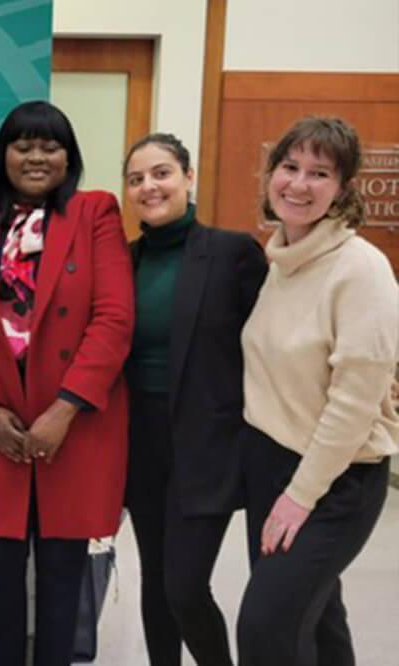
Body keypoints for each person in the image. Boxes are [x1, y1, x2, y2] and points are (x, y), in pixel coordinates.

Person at [0, 100, 134, 666]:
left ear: (68, 157)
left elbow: (115, 319)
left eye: (50, 146)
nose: (35, 157)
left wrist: (64, 410)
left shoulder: (95, 212)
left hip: (73, 429)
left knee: (62, 578)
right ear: (2, 155)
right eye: (22, 145)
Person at [236, 116, 398, 666]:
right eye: (289, 167)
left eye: (319, 173)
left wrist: (301, 494)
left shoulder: (361, 269)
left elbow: (353, 404)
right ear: (271, 174)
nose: (298, 184)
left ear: (344, 190)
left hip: (334, 479)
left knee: (266, 629)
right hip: (272, 464)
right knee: (320, 619)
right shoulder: (280, 258)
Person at [122, 133, 267, 665]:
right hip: (142, 447)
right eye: (136, 179)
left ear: (188, 177)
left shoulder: (232, 253)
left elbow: (269, 352)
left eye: (161, 173)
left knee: (184, 586)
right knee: (155, 583)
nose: (148, 187)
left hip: (207, 448)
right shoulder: (124, 260)